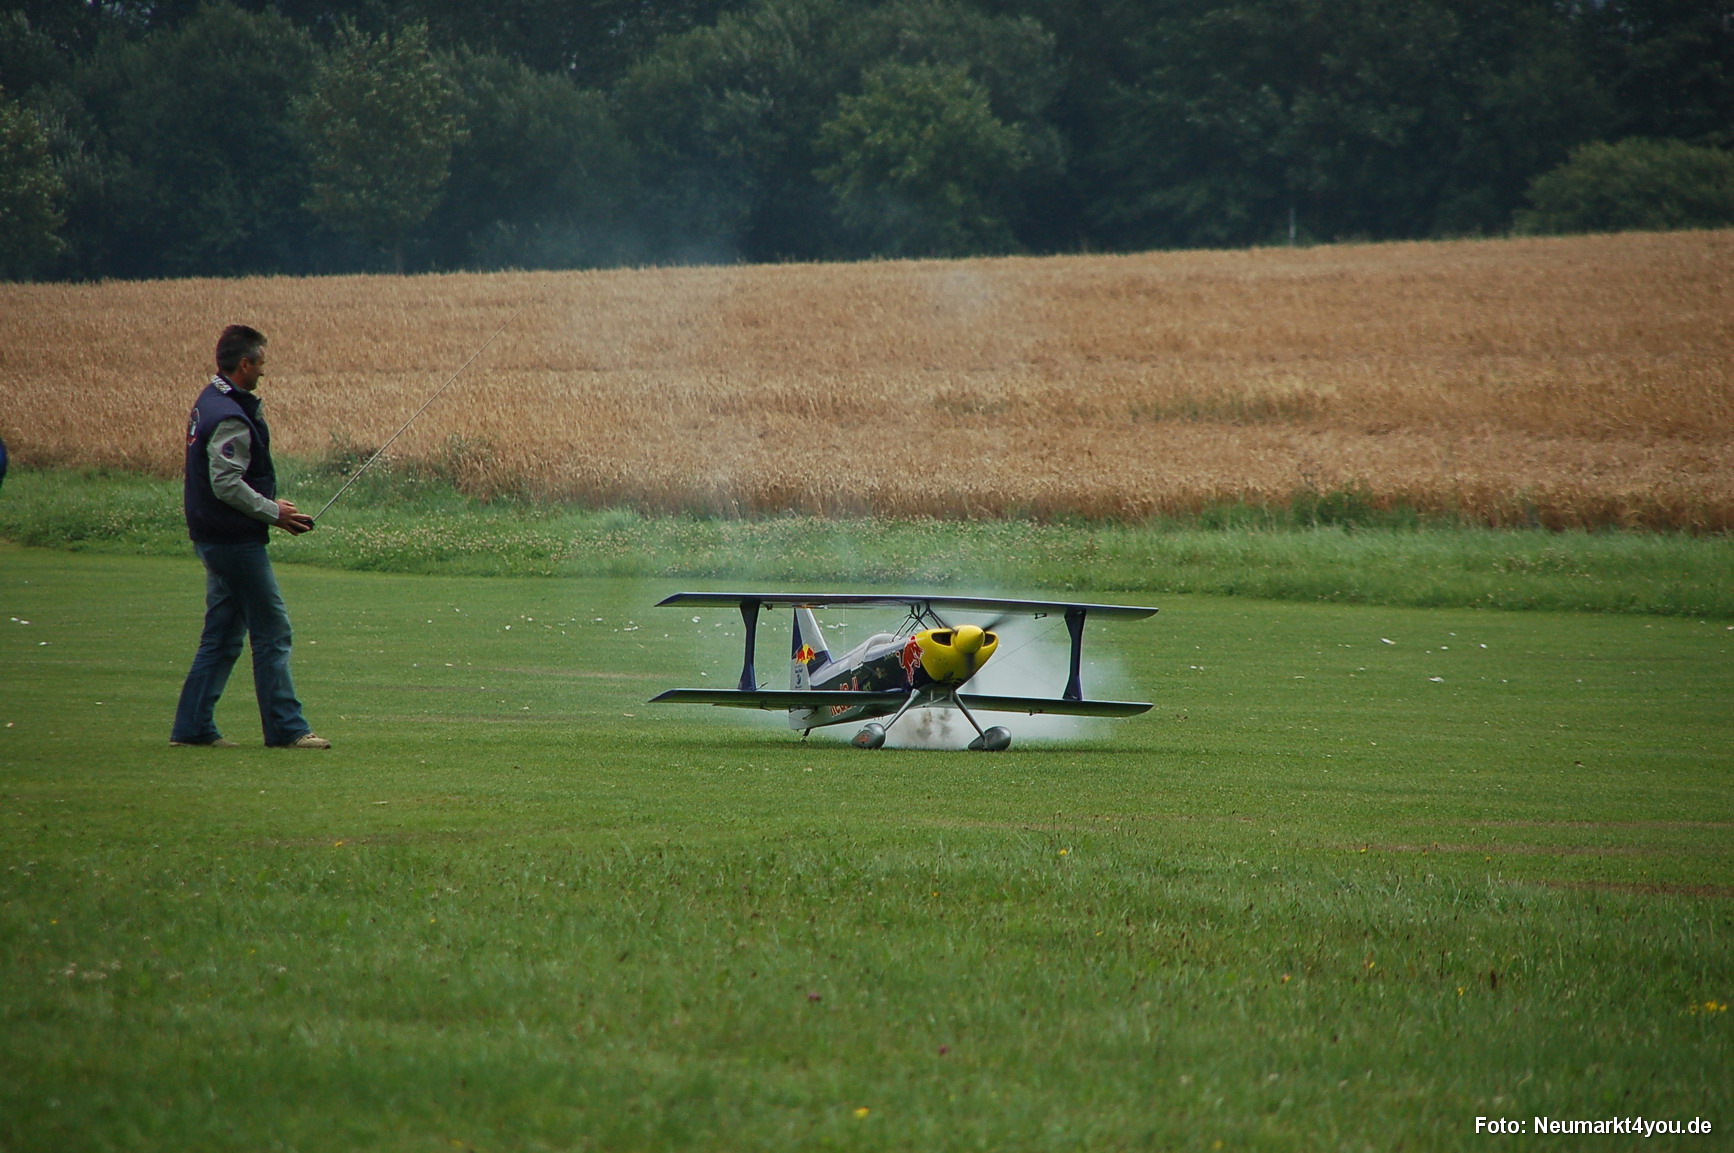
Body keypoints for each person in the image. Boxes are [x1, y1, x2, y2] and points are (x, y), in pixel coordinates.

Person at [170, 325, 329, 749]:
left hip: (215, 537)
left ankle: (191, 729)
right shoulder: (229, 415)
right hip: (232, 542)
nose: (264, 371)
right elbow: (226, 484)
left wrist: (271, 510)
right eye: (260, 363)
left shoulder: (211, 401)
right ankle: (287, 729)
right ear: (245, 364)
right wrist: (274, 512)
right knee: (272, 631)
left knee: (221, 637)